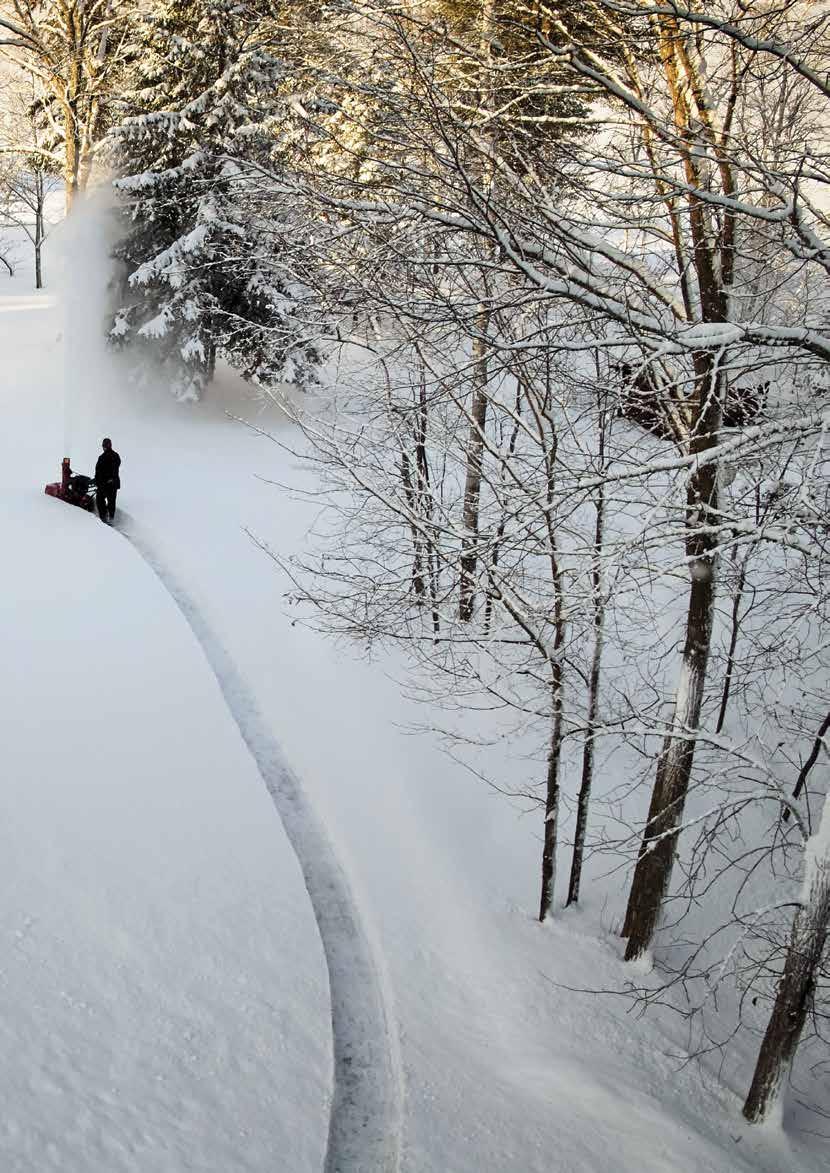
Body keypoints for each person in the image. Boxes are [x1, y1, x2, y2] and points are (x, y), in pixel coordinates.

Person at [95, 438, 121, 523]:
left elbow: (98, 471)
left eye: (104, 446)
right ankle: (111, 517)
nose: (104, 447)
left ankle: (103, 517)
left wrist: (98, 481)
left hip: (105, 484)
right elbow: (116, 467)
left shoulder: (102, 457)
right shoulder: (116, 456)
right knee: (111, 501)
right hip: (113, 483)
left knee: (99, 499)